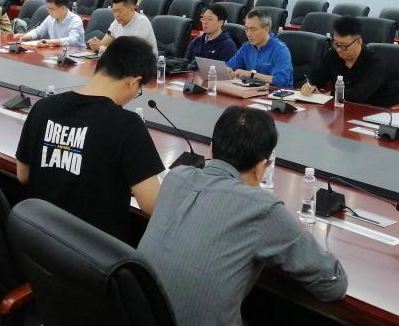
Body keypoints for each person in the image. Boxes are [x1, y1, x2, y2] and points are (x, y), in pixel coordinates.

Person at [138, 106, 347, 326]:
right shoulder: (262, 208)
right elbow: (333, 284)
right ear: (261, 168)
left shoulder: (176, 177)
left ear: (212, 148)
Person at [15, 36, 164, 242]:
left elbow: (23, 174)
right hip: (94, 254)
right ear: (134, 82)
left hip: (39, 243)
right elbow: (152, 204)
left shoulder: (42, 108)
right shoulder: (127, 125)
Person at [302, 15, 390, 105]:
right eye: (336, 44)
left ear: (359, 42)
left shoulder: (375, 62)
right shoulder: (332, 55)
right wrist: (309, 85)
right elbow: (317, 78)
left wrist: (329, 95)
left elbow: (359, 94)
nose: (339, 49)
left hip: (374, 109)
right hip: (339, 108)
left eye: (344, 46)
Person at [228, 9, 293, 88]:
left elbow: (282, 81)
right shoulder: (247, 46)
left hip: (276, 93)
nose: (249, 34)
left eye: (253, 29)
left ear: (266, 29)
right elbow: (231, 65)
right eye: (246, 29)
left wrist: (251, 75)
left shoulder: (280, 50)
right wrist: (228, 70)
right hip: (251, 91)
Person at [87, 0, 157, 55]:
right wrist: (96, 44)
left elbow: (130, 52)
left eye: (120, 11)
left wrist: (102, 48)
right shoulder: (117, 22)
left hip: (144, 62)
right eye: (114, 11)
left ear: (132, 9)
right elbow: (104, 43)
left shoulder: (142, 22)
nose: (116, 15)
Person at [13, 0, 85, 49]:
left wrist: (50, 42)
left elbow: (72, 40)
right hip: (57, 51)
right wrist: (25, 36)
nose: (49, 11)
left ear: (63, 8)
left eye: (51, 9)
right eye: (48, 9)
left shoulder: (75, 20)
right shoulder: (50, 18)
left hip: (75, 54)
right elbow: (38, 31)